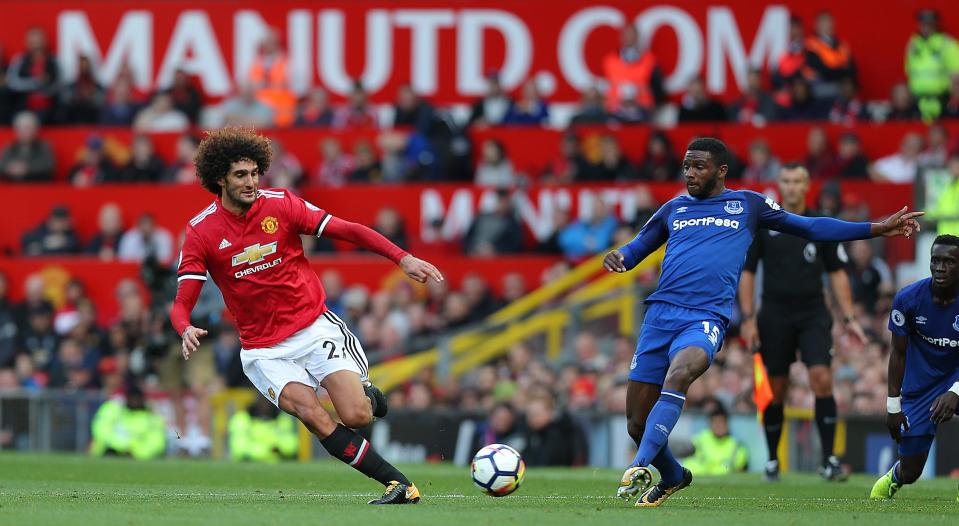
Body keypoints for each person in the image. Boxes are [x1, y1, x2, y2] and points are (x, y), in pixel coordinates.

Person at [603, 137, 921, 507]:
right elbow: (638, 247)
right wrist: (620, 256)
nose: (689, 173)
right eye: (687, 166)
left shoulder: (747, 205)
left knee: (679, 375)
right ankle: (674, 476)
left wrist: (875, 228)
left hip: (705, 318)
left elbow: (811, 227)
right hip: (659, 317)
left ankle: (639, 466)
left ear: (721, 171)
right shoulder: (674, 208)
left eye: (699, 166)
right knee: (636, 424)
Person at [169, 127, 442, 504]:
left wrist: (402, 257)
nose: (251, 182)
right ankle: (400, 485)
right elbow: (182, 300)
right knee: (313, 415)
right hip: (264, 350)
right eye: (240, 175)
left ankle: (365, 394)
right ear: (219, 178)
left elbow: (347, 230)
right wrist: (184, 328)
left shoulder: (281, 204)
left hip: (313, 328)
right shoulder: (201, 232)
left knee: (358, 416)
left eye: (254, 173)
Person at [738, 163, 867, 483]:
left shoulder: (819, 225)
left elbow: (837, 272)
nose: (792, 187)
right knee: (777, 388)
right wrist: (748, 318)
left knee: (822, 378)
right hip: (774, 313)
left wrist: (849, 316)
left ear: (807, 185)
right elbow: (748, 272)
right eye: (786, 181)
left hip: (813, 312)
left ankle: (828, 460)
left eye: (798, 181)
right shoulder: (764, 224)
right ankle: (771, 459)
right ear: (780, 185)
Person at [870, 235, 959, 500]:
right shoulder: (908, 299)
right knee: (912, 471)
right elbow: (898, 353)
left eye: (949, 262)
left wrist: (956, 390)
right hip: (922, 386)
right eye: (935, 261)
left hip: (956, 377)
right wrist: (892, 406)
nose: (940, 267)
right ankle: (894, 477)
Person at [904, 9, 959, 121]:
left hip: (943, 99)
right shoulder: (913, 44)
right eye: (924, 23)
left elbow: (956, 76)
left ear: (936, 24)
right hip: (917, 100)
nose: (926, 27)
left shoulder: (947, 44)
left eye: (930, 24)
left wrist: (955, 98)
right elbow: (909, 72)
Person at [681, 399, 748, 476]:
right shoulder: (698, 440)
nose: (718, 426)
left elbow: (742, 471)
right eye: (715, 422)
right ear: (710, 424)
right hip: (696, 479)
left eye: (721, 422)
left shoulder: (736, 446)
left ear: (727, 424)